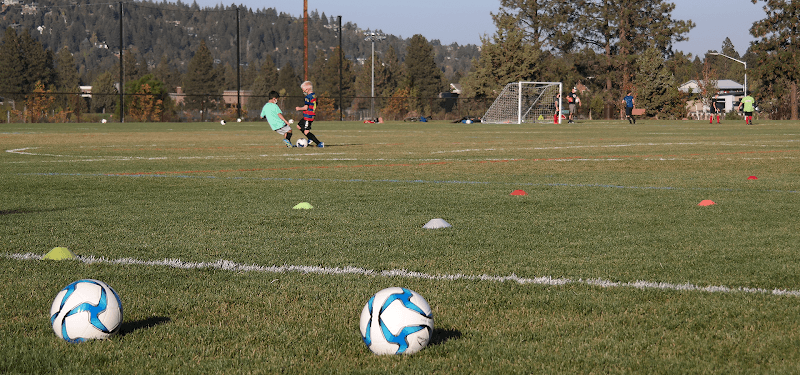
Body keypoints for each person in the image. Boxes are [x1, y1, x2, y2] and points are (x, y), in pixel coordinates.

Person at [295, 81, 324, 147]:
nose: (303, 92)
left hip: (308, 116)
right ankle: (310, 138)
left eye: (303, 90)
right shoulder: (314, 96)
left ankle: (319, 143)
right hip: (309, 115)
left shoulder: (307, 97)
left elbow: (306, 107)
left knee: (306, 132)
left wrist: (299, 108)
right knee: (299, 126)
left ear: (306, 89)